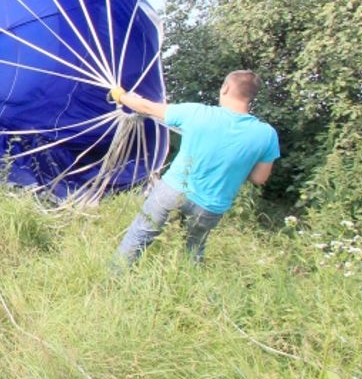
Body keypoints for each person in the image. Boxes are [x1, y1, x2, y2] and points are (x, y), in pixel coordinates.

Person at [109, 70, 280, 270]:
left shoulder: (197, 113)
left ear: (225, 88)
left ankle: (114, 278)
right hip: (210, 206)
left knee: (140, 234)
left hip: (172, 191)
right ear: (251, 96)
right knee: (193, 249)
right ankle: (186, 284)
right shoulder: (266, 134)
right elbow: (259, 178)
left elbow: (147, 107)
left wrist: (121, 96)